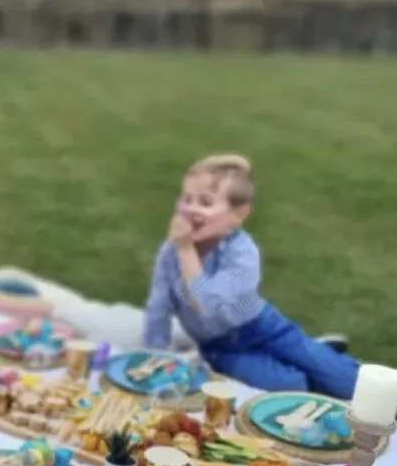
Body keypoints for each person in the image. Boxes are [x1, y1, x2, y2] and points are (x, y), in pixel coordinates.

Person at [142, 154, 359, 398]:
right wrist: (154, 355)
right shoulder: (170, 253)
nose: (192, 208)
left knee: (347, 382)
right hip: (222, 348)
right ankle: (317, 358)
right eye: (187, 199)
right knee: (292, 386)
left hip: (263, 327)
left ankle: (321, 358)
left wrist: (186, 251)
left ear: (238, 214)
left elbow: (210, 304)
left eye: (205, 202)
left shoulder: (243, 252)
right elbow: (158, 305)